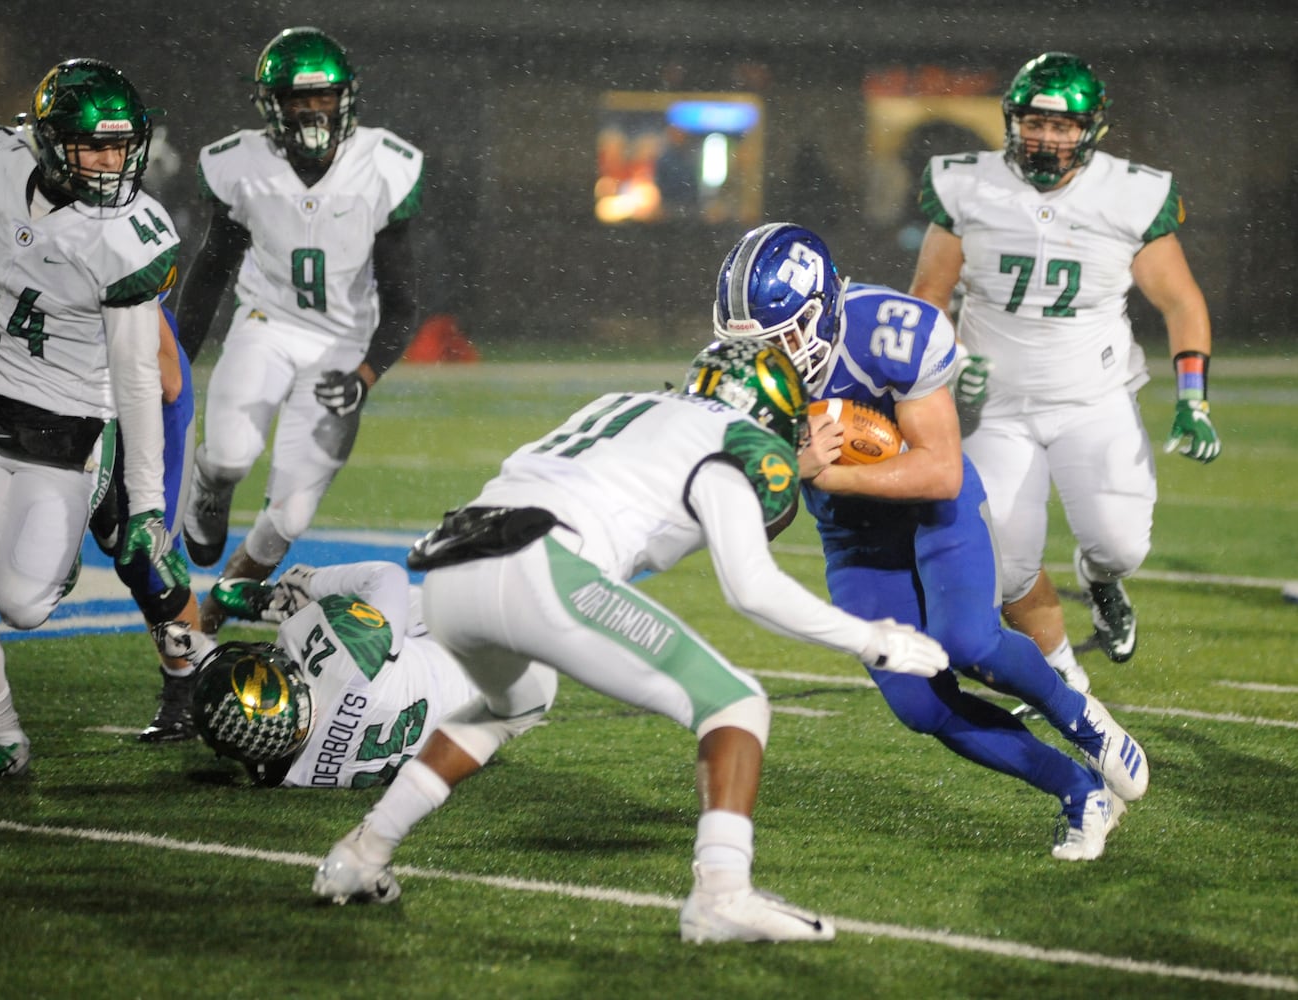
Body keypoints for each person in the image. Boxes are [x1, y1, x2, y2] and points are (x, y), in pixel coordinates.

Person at [311, 339, 951, 943]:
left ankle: (361, 854)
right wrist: (872, 639)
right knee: (736, 704)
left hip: (453, 569)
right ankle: (722, 894)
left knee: (522, 700)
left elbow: (653, 500)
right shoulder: (733, 439)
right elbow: (752, 587)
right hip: (538, 567)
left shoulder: (622, 405)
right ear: (766, 407)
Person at [713, 222, 1148, 861]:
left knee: (969, 642)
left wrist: (827, 470)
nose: (768, 356)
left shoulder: (885, 333)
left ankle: (1082, 718)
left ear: (823, 311)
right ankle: (1080, 792)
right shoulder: (738, 382)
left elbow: (941, 469)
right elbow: (759, 520)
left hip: (934, 511)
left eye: (782, 336)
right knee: (919, 703)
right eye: (751, 342)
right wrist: (782, 477)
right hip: (852, 536)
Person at [908, 52, 1221, 679]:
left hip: (1093, 398)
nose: (1046, 138)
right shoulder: (969, 184)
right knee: (1007, 563)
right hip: (995, 407)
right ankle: (1063, 681)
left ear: (1091, 130)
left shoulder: (1129, 193)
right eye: (1034, 122)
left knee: (1121, 545)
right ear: (1011, 121)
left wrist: (1194, 399)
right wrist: (953, 361)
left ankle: (1100, 580)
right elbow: (928, 300)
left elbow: (1179, 299)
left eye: (1062, 127)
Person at [175, 26, 424, 638]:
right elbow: (211, 273)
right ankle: (211, 484)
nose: (312, 111)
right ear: (271, 105)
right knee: (230, 455)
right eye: (296, 100)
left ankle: (223, 601)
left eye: (322, 98)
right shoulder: (242, 165)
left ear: (346, 99)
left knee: (292, 513)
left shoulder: (384, 165)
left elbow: (402, 302)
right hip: (267, 325)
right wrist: (175, 357)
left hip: (341, 344)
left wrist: (366, 375)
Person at [0, 59, 185, 780]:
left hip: (62, 433)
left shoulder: (127, 234)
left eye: (119, 148)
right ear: (46, 141)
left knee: (23, 605)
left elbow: (137, 377)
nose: (107, 164)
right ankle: (0, 730)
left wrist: (149, 504)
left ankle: (85, 509)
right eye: (90, 147)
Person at [152, 560, 522, 789]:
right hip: (481, 660)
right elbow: (386, 576)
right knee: (386, 606)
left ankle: (294, 602)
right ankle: (287, 596)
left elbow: (248, 716)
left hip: (477, 736)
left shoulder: (287, 776)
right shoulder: (347, 659)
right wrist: (311, 582)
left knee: (380, 636)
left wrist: (200, 651)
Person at [88, 301, 205, 742]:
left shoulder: (113, 240)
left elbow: (168, 380)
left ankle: (186, 691)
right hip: (64, 401)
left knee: (146, 561)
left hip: (144, 407)